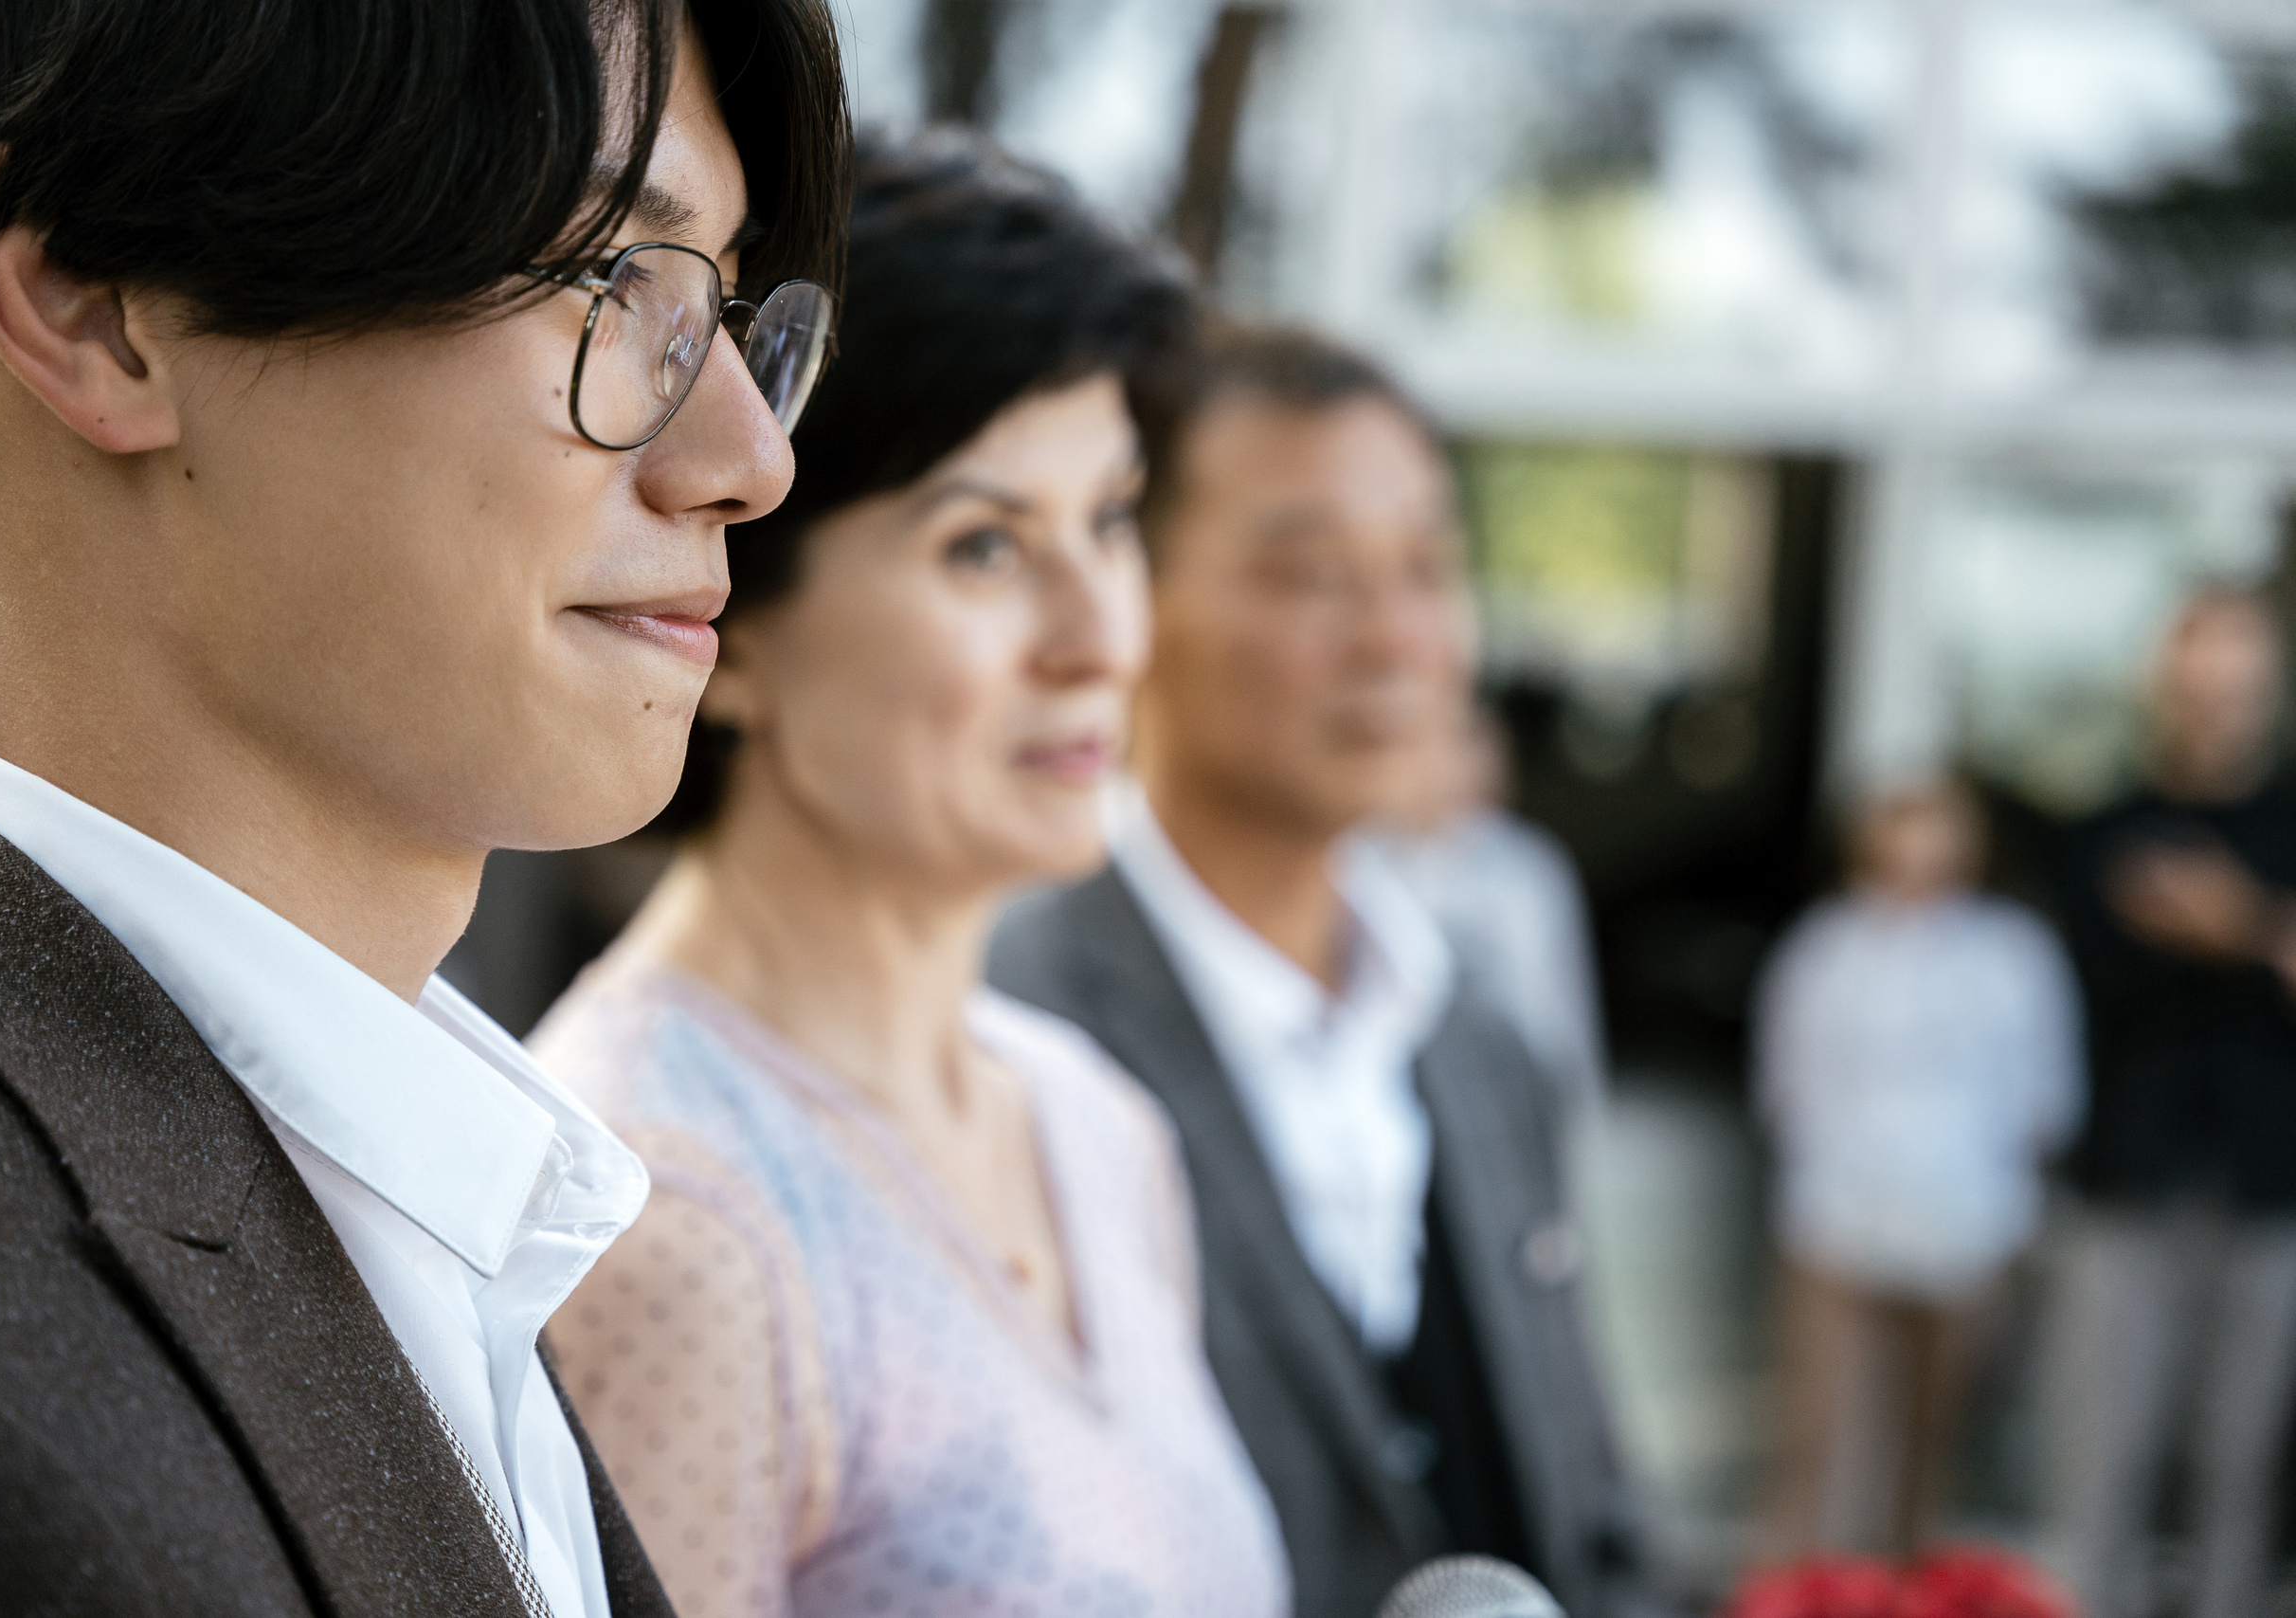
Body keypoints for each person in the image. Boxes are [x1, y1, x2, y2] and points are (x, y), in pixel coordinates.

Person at [0, 3, 847, 1613]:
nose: (746, 455)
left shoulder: (439, 1210)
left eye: (731, 311)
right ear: (90, 300)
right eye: (615, 280)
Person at [534, 135, 1287, 1618]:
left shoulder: (1094, 1124)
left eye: (1113, 521)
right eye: (986, 545)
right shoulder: (669, 1215)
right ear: (733, 605)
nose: (1098, 637)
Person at [988, 326, 1650, 1618]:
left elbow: (1596, 1519)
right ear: (1129, 593)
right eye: (1311, 574)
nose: (1397, 637)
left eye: (1426, 567)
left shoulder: (1475, 1039)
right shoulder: (1007, 1028)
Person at [1753, 778, 2083, 1560]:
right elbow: (1786, 1085)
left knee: (1929, 1448)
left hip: (1967, 1225)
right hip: (1837, 1221)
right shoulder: (1824, 950)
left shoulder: (2010, 953)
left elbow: (2047, 1093)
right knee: (1818, 1443)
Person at [2047, 588, 2296, 1618]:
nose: (2213, 707)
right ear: (2163, 687)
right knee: (2101, 1461)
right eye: (2197, 685)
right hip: (2125, 1183)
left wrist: (2232, 924)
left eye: (2234, 686)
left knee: (2239, 1471)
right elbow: (2081, 994)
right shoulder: (2099, 831)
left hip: (2271, 1185)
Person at [1377, 701, 1608, 1121]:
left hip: (1508, 1102)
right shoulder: (1360, 861)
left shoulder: (1525, 870)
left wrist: (1574, 1116)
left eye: (1472, 744)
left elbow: (1558, 1015)